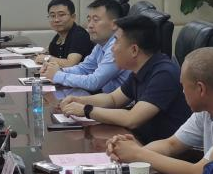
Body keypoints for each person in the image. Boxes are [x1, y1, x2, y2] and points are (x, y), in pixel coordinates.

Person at [106, 48, 213, 174]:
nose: (183, 92)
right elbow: (171, 144)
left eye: (183, 86)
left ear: (200, 89)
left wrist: (138, 154)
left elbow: (197, 173)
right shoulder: (207, 108)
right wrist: (127, 151)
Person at [58, 13, 191, 144]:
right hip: (142, 142)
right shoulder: (141, 69)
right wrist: (79, 100)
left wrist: (86, 110)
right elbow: (113, 99)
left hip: (162, 151)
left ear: (134, 50)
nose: (112, 49)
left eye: (116, 41)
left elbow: (132, 119)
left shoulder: (164, 74)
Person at [41, 0, 130, 93]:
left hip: (120, 101)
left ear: (115, 24)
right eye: (89, 20)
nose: (90, 25)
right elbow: (84, 69)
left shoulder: (118, 46)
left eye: (95, 20)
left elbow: (94, 82)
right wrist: (58, 70)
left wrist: (57, 75)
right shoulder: (101, 44)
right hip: (106, 97)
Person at [38, 0, 92, 71]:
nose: (56, 20)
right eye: (52, 16)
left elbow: (70, 64)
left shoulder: (79, 35)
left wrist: (46, 58)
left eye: (61, 15)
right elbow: (51, 52)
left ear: (73, 17)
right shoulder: (58, 36)